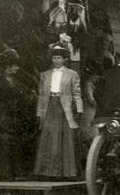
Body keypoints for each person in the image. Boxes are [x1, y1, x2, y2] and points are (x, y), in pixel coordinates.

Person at [33, 44, 84, 179]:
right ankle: (47, 172)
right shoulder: (45, 75)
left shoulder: (72, 74)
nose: (56, 61)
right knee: (49, 137)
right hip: (50, 107)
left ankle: (66, 172)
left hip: (64, 109)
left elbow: (77, 94)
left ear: (65, 59)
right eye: (54, 58)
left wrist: (79, 110)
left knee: (64, 138)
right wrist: (39, 113)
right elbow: (41, 95)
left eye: (59, 58)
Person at [0, 50, 32, 181]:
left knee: (16, 145)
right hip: (2, 118)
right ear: (6, 66)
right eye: (14, 66)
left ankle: (17, 173)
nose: (17, 68)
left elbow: (23, 99)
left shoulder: (18, 83)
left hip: (15, 118)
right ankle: (4, 174)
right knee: (4, 145)